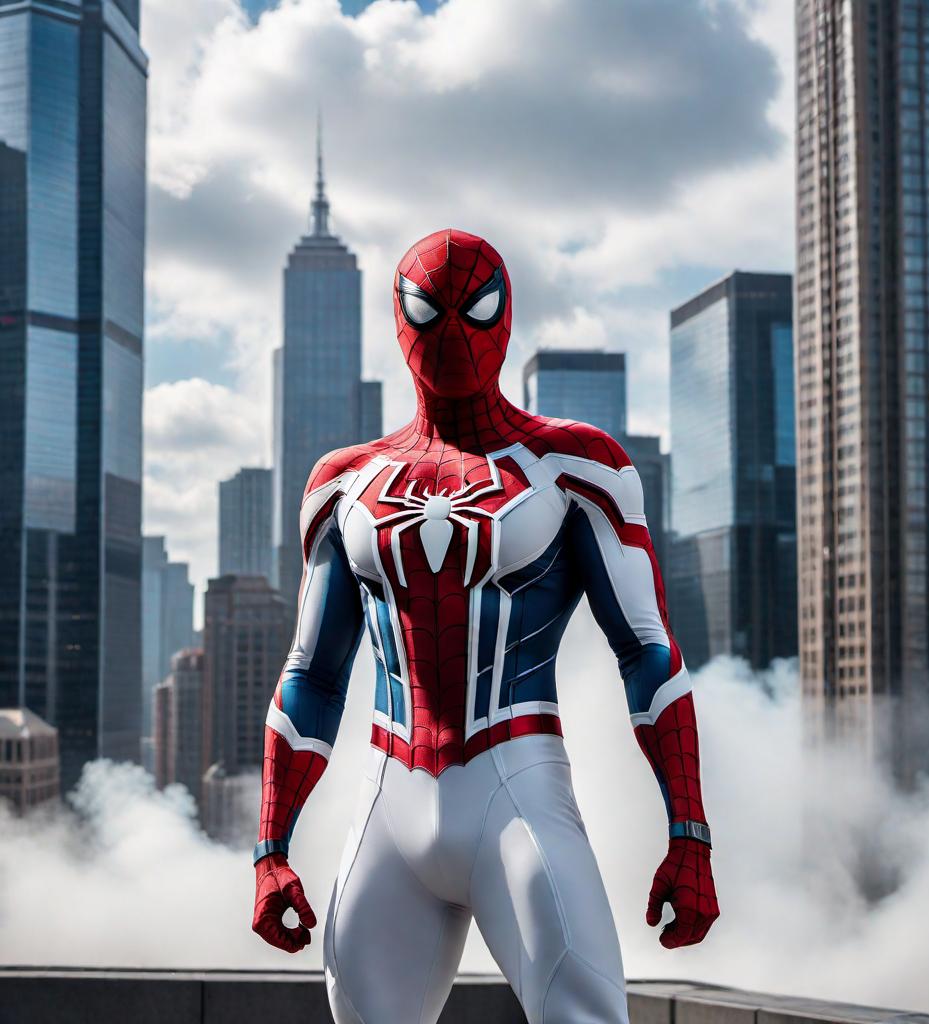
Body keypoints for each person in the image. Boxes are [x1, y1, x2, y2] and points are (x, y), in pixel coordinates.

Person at [251, 229, 719, 1024]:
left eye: (475, 310)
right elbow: (312, 674)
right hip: (386, 800)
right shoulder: (344, 482)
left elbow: (646, 650)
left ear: (505, 317)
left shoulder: (576, 465)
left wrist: (690, 830)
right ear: (400, 321)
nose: (454, 334)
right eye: (431, 312)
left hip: (519, 790)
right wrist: (268, 848)